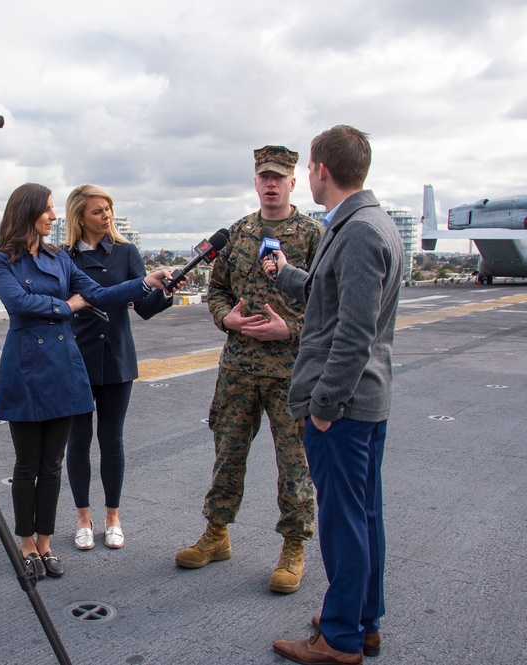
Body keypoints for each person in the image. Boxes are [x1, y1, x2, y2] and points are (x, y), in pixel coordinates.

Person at [0, 183, 175, 581]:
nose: (53, 217)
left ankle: (46, 543)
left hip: (64, 368)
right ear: (28, 213)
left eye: (55, 210)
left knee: (52, 464)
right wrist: (66, 306)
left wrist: (147, 283)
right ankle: (25, 543)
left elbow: (100, 295)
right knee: (27, 464)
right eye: (47, 210)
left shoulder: (59, 259)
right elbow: (18, 303)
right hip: (26, 368)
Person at [266, 126, 403, 664]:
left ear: (321, 169)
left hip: (342, 408)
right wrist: (287, 276)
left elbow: (353, 331)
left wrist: (323, 407)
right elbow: (332, 293)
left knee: (344, 523)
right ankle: (362, 620)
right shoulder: (363, 224)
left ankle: (341, 639)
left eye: (309, 167)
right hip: (363, 401)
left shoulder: (360, 232)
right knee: (363, 515)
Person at [175, 146, 324, 595]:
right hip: (238, 367)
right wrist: (228, 319)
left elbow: (328, 304)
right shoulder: (239, 235)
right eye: (264, 176)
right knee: (227, 454)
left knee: (295, 464)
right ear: (256, 181)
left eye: (279, 176)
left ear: (294, 182)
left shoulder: (314, 236)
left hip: (291, 371)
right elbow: (216, 291)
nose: (271, 183)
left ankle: (293, 546)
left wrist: (291, 329)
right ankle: (216, 534)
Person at [63, 184, 174, 551]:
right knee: (77, 442)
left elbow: (144, 307)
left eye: (109, 208)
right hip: (76, 360)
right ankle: (82, 517)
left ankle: (112, 516)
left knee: (111, 440)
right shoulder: (64, 257)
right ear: (79, 217)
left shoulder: (127, 252)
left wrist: (166, 292)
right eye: (97, 211)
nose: (106, 216)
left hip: (116, 358)